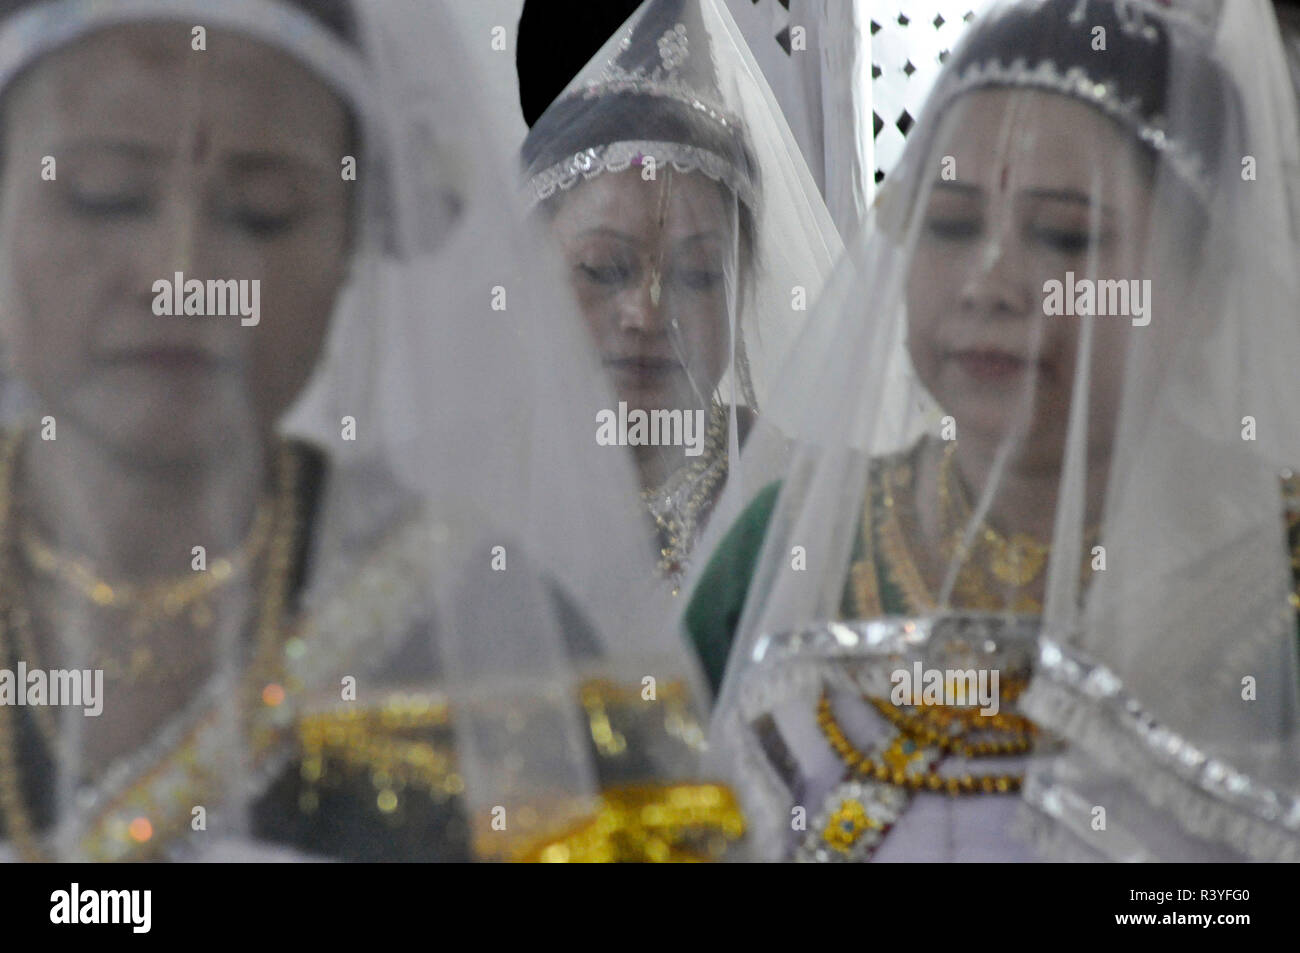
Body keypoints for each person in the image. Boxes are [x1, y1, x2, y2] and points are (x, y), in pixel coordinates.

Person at [0, 0, 737, 863]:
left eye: (264, 210)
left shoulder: (495, 650)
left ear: (353, 239)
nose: (181, 274)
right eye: (106, 195)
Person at [684, 0, 1300, 861]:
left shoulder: (1274, 585)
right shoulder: (786, 549)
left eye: (1061, 235)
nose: (989, 281)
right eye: (950, 224)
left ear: (1198, 284)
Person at [521, 0, 841, 591]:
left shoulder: (801, 501)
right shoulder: (460, 494)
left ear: (741, 283)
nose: (647, 313)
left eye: (696, 276)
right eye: (602, 268)